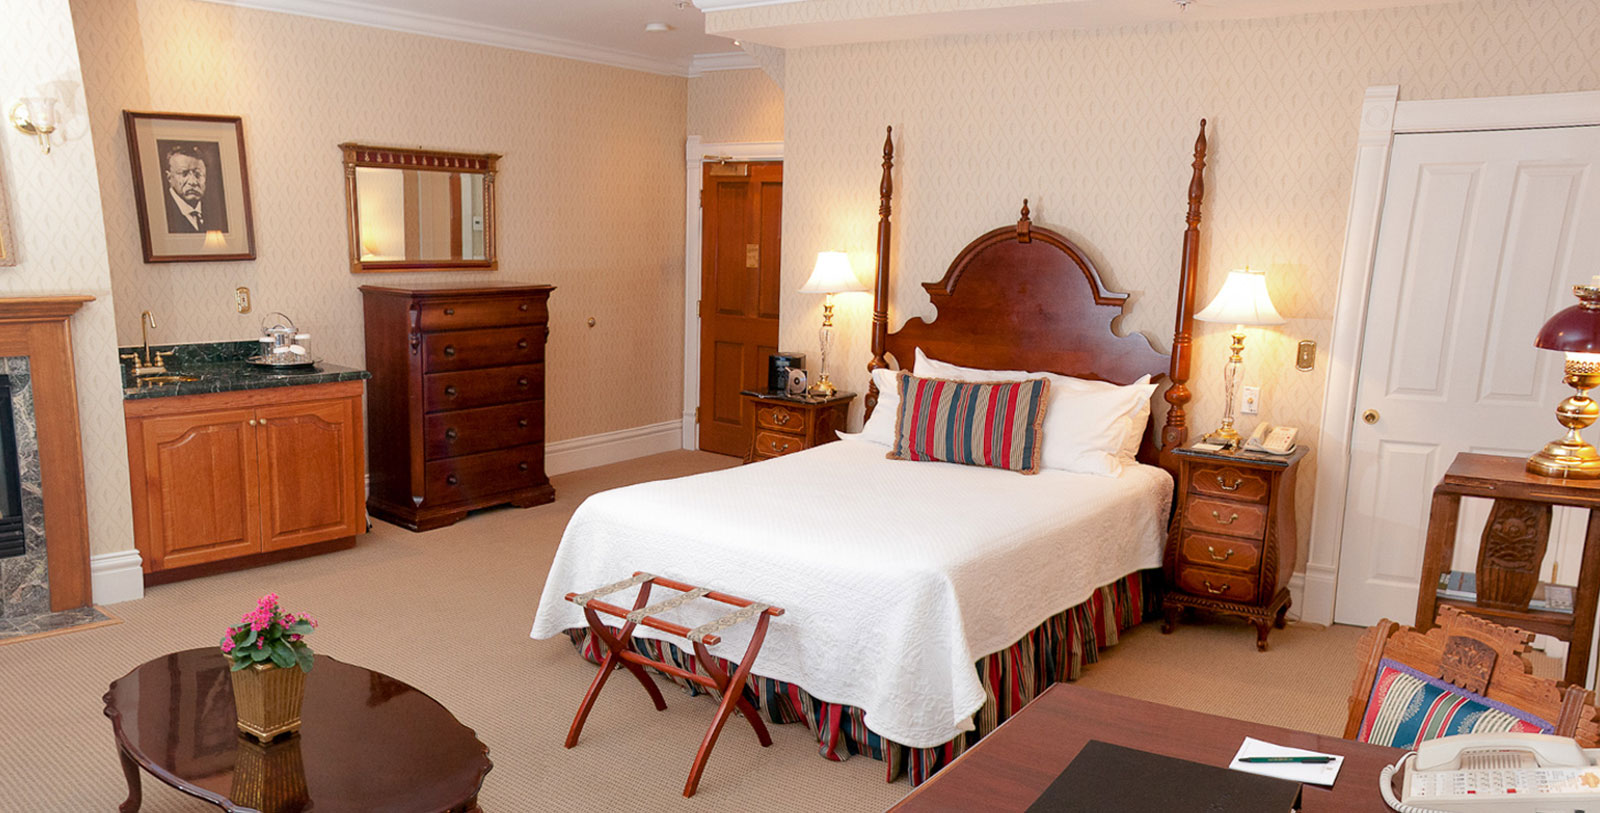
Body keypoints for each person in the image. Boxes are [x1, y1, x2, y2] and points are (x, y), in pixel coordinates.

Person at [161, 144, 226, 234]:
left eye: (198, 174)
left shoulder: (217, 213)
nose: (193, 182)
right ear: (169, 178)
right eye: (184, 173)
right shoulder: (161, 214)